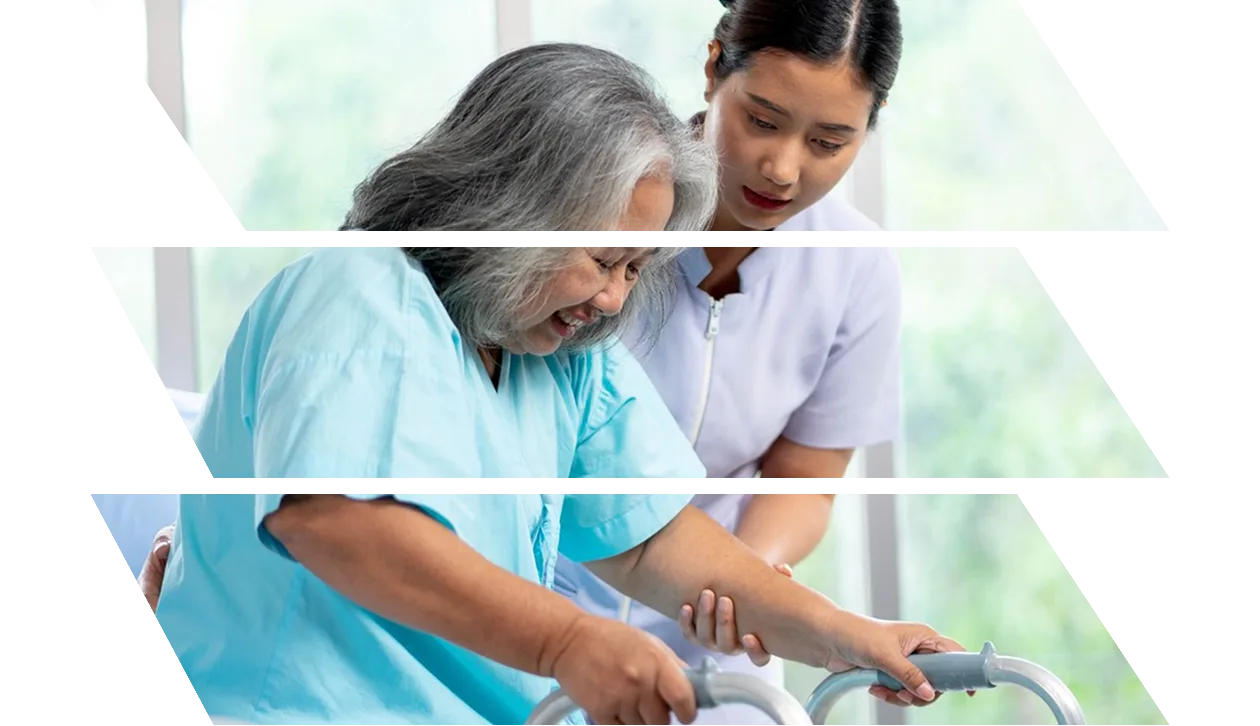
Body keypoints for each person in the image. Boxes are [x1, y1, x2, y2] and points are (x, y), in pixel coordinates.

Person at [693, 0, 904, 234]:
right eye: (763, 122)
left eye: (827, 143)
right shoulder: (645, 190)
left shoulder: (860, 258)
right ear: (712, 72)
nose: (782, 173)